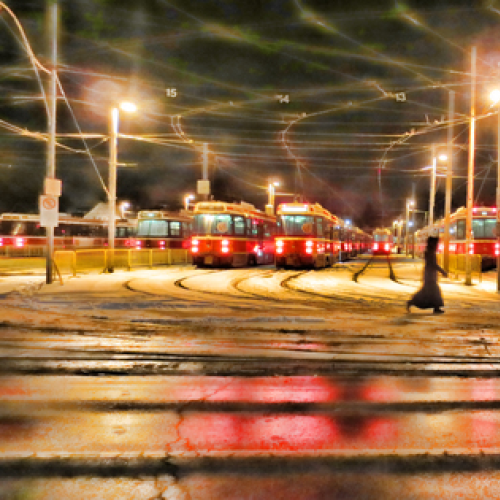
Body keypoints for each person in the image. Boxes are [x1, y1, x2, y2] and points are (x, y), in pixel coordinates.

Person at [406, 235, 447, 314]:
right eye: (436, 243)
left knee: (429, 291)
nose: (437, 245)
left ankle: (435, 307)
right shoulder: (430, 253)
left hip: (429, 274)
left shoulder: (429, 251)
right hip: (429, 275)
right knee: (433, 291)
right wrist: (442, 271)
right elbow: (433, 264)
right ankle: (414, 302)